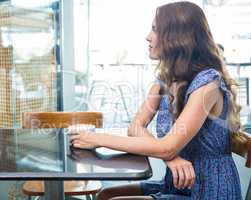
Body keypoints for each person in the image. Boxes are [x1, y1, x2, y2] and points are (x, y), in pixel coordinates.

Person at [70, 1, 242, 199]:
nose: (148, 37)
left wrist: (97, 139)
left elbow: (167, 146)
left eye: (155, 30)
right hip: (177, 184)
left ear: (178, 38)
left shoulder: (208, 84)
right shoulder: (166, 79)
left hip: (209, 191)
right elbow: (135, 126)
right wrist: (170, 157)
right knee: (105, 195)